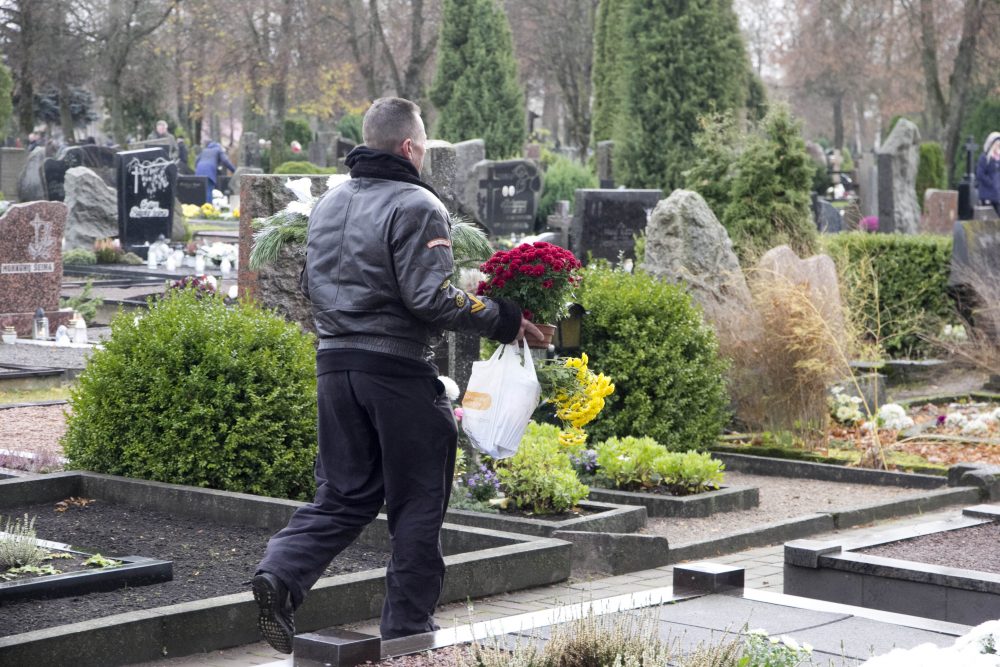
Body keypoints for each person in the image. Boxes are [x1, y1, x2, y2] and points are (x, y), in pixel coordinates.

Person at [252, 97, 541, 653]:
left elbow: (311, 287)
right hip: (397, 372)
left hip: (335, 369)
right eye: (423, 146)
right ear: (409, 147)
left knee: (343, 494)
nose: (424, 154)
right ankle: (409, 636)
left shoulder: (329, 204)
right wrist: (504, 318)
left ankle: (280, 574)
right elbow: (431, 297)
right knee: (418, 503)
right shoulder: (417, 203)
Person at [976, 132, 1000, 216]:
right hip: (988, 194)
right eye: (997, 144)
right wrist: (991, 182)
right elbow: (980, 174)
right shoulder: (985, 157)